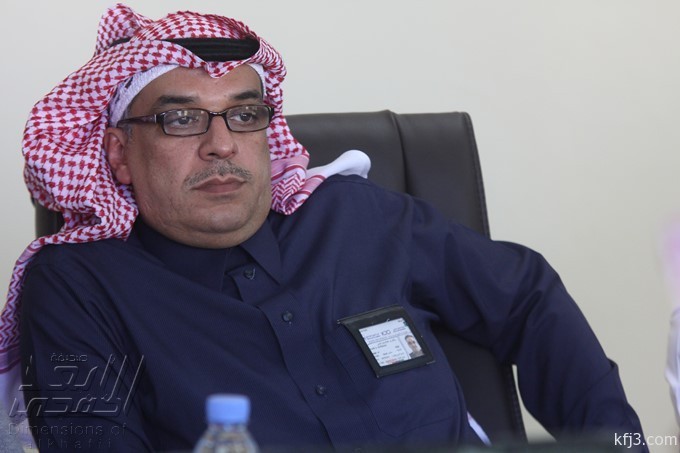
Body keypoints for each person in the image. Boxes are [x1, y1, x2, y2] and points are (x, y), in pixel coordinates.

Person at [0, 4, 646, 452]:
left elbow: (526, 294)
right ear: (118, 154)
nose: (222, 145)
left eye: (245, 115)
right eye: (181, 119)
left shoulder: (353, 216)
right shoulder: (80, 285)